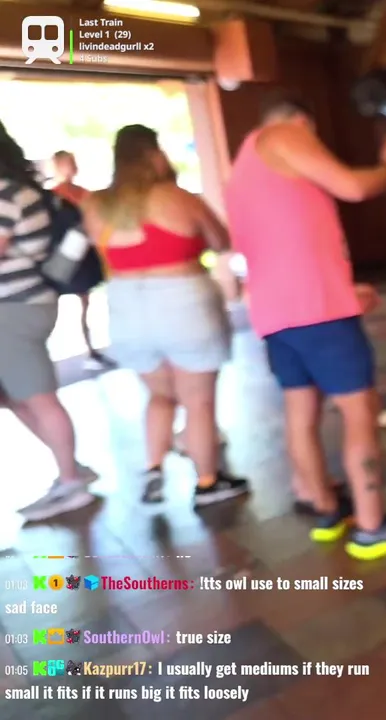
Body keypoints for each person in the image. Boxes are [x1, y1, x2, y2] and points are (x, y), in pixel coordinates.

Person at [223, 92, 386, 560]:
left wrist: (342, 286)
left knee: (301, 410)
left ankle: (326, 511)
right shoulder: (283, 134)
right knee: (360, 411)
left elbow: (290, 238)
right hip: (318, 312)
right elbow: (353, 187)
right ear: (302, 122)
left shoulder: (243, 166)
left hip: (275, 313)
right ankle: (372, 527)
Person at [80, 124, 248, 507]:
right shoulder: (176, 197)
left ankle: (153, 468)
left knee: (159, 395)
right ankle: (207, 482)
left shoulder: (96, 205)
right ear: (154, 154)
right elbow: (221, 241)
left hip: (125, 305)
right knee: (197, 400)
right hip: (182, 299)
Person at [0, 121, 98, 521]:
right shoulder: (21, 189)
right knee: (16, 396)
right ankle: (71, 467)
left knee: (38, 396)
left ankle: (71, 482)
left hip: (15, 307)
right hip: (25, 304)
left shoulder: (5, 194)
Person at [49, 149, 113, 371]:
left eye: (73, 162)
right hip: (64, 255)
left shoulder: (84, 193)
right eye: (68, 163)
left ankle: (90, 350)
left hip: (84, 254)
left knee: (85, 303)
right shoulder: (53, 196)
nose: (73, 167)